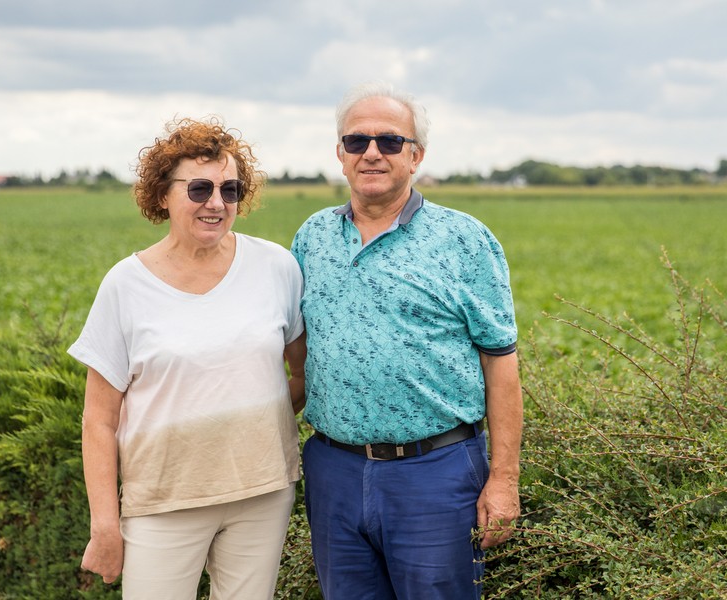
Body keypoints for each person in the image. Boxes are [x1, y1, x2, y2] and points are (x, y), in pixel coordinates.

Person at [290, 82, 523, 600]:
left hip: (434, 473)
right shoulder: (312, 236)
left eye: (390, 141)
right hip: (334, 469)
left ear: (415, 155)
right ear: (340, 155)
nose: (372, 152)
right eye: (357, 142)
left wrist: (504, 479)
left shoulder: (464, 239)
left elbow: (501, 362)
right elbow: (297, 355)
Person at [68, 116, 306, 599]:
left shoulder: (276, 267)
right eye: (198, 189)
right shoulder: (125, 285)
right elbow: (98, 421)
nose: (216, 203)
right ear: (162, 194)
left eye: (230, 189)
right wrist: (105, 526)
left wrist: (247, 423)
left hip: (263, 494)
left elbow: (300, 373)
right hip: (161, 504)